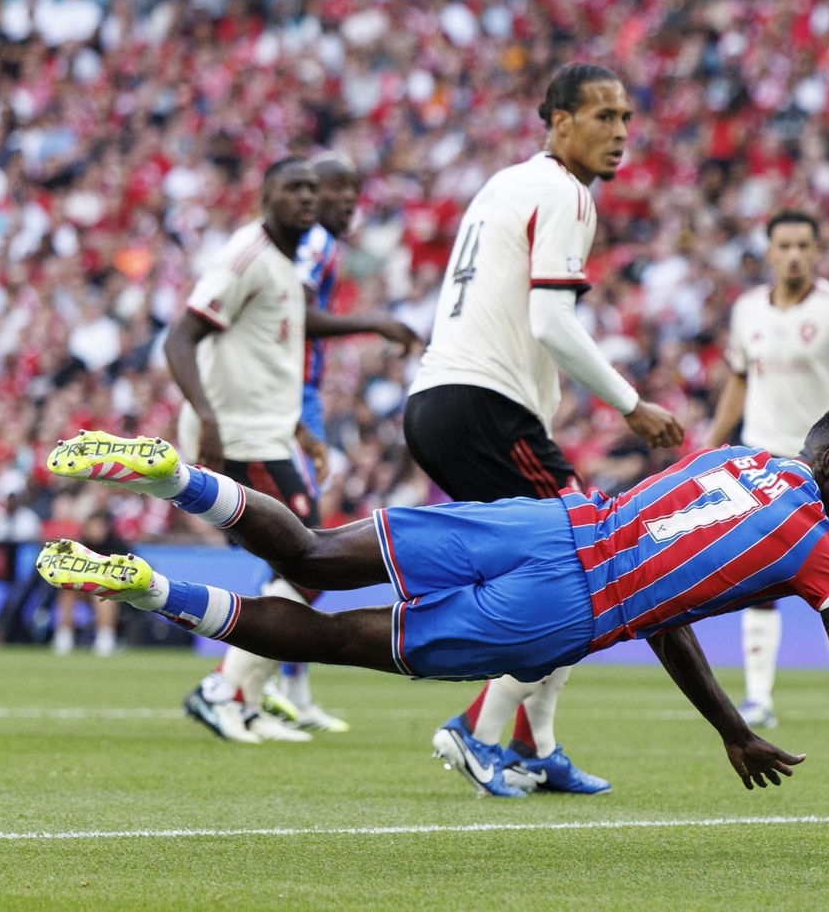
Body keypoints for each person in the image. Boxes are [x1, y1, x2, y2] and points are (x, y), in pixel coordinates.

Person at [38, 409, 829, 810]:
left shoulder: (738, 457)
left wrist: (730, 724)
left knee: (306, 552)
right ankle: (149, 586)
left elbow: (671, 606)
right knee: (338, 638)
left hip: (541, 523)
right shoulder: (820, 551)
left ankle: (171, 475)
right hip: (562, 607)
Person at [403, 63, 685, 795]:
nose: (620, 133)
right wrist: (630, 402)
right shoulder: (566, 192)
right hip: (482, 406)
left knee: (564, 572)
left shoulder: (505, 183)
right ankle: (478, 729)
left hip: (438, 401)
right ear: (559, 123)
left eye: (626, 118)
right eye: (602, 117)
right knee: (588, 564)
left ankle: (535, 745)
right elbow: (550, 322)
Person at [163, 158, 412, 744]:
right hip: (239, 434)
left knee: (302, 565)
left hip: (270, 431)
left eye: (311, 189)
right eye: (294, 188)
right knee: (311, 563)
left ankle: (245, 696)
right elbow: (180, 336)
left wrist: (299, 428)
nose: (307, 198)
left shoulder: (283, 263)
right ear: (266, 195)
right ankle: (226, 690)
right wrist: (207, 417)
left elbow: (269, 358)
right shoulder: (246, 255)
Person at [705, 209, 829, 731]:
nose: (794, 256)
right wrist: (714, 440)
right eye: (784, 246)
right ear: (769, 252)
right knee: (757, 576)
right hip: (762, 459)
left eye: (804, 246)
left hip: (824, 464)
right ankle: (758, 697)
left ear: (817, 251)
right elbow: (739, 378)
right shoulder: (747, 311)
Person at [260, 152, 419, 734]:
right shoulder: (315, 243)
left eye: (354, 189)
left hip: (296, 397)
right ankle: (238, 684)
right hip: (284, 396)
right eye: (334, 188)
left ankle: (285, 686)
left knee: (297, 548)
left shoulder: (314, 244)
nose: (347, 199)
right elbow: (298, 314)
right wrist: (373, 321)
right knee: (302, 547)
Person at [51, 510, 125, 657]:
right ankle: (64, 637)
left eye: (99, 527)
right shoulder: (79, 548)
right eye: (92, 526)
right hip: (85, 589)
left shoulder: (118, 547)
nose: (95, 531)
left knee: (102, 593)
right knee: (67, 591)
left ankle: (105, 639)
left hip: (115, 593)